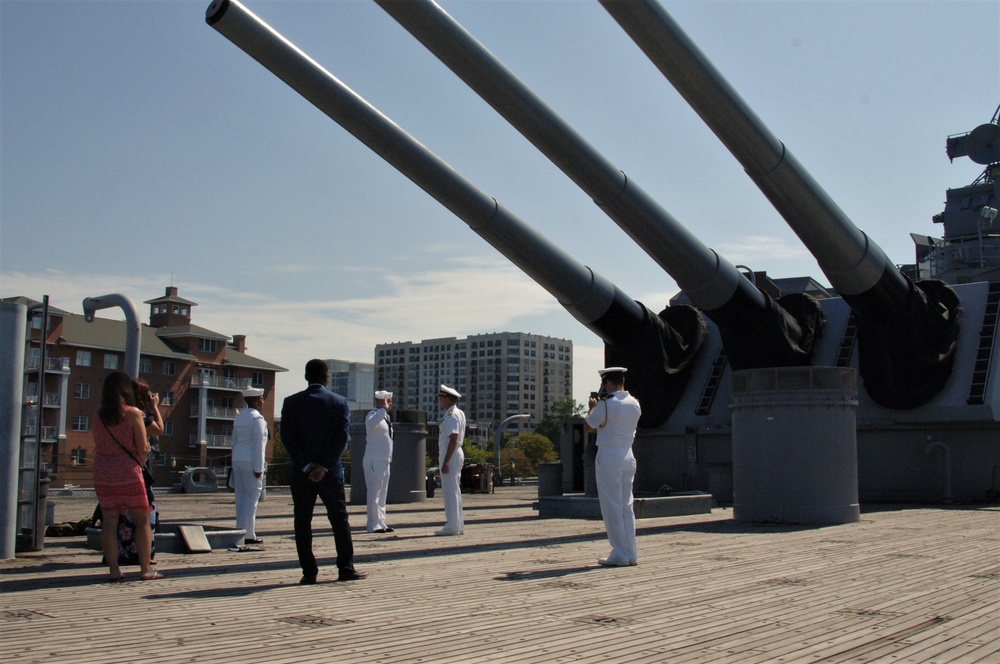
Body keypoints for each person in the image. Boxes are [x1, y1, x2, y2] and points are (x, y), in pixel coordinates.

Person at [280, 359, 367, 584]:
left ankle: (309, 573)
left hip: (301, 473)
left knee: (302, 521)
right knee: (339, 520)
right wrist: (324, 466)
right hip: (331, 473)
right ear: (326, 376)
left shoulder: (291, 402)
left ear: (306, 376)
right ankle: (345, 568)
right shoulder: (339, 402)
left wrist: (307, 465)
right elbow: (341, 439)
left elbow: (287, 438)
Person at [93, 371, 163, 582]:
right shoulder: (133, 413)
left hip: (103, 472)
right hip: (129, 472)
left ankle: (114, 570)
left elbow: (99, 443)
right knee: (141, 521)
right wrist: (143, 455)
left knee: (110, 521)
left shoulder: (99, 415)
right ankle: (145, 569)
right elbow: (142, 447)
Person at [584, 367, 642, 567]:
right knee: (627, 506)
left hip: (609, 455)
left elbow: (589, 426)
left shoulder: (606, 405)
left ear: (607, 383)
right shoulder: (634, 403)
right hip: (628, 453)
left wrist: (592, 407)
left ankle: (619, 553)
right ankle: (631, 552)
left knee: (611, 507)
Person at [231, 386, 268, 545]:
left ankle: (240, 530)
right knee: (252, 496)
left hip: (238, 459)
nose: (262, 401)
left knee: (240, 495)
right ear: (255, 401)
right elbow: (259, 445)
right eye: (261, 398)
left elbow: (234, 442)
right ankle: (248, 534)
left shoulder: (239, 418)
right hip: (251, 460)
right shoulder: (257, 419)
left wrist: (234, 461)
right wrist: (259, 468)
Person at [435, 384, 466, 536]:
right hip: (455, 453)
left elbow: (453, 439)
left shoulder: (451, 414)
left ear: (447, 399)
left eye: (441, 398)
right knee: (454, 490)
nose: (440, 401)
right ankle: (457, 524)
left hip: (450, 453)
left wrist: (446, 461)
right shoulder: (458, 413)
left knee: (450, 491)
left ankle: (452, 526)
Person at [364, 390, 394, 533]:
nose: (390, 404)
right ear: (380, 402)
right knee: (374, 493)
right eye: (388, 401)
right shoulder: (373, 415)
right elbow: (371, 423)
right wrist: (382, 409)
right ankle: (373, 524)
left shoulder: (386, 418)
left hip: (384, 460)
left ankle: (381, 522)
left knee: (382, 494)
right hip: (374, 460)